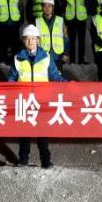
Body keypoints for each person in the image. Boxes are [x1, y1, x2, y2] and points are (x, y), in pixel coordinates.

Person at [8, 24, 68, 168]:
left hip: (41, 100)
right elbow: (11, 79)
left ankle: (45, 160)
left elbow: (55, 76)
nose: (30, 41)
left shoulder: (46, 57)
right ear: (23, 40)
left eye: (33, 38)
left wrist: (67, 84)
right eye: (27, 39)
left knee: (42, 132)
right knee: (24, 132)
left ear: (38, 40)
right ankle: (23, 159)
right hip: (24, 101)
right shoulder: (17, 58)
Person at [60, 0, 89, 64]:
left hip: (81, 20)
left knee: (81, 41)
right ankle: (72, 61)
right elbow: (63, 6)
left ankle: (81, 60)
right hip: (70, 21)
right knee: (71, 42)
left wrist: (88, 12)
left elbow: (87, 4)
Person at [36, 0, 69, 71]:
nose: (47, 8)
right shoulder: (37, 22)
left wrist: (66, 53)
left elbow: (66, 38)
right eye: (45, 6)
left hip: (58, 56)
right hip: (43, 57)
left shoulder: (60, 21)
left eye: (49, 6)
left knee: (57, 77)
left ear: (53, 7)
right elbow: (34, 40)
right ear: (42, 7)